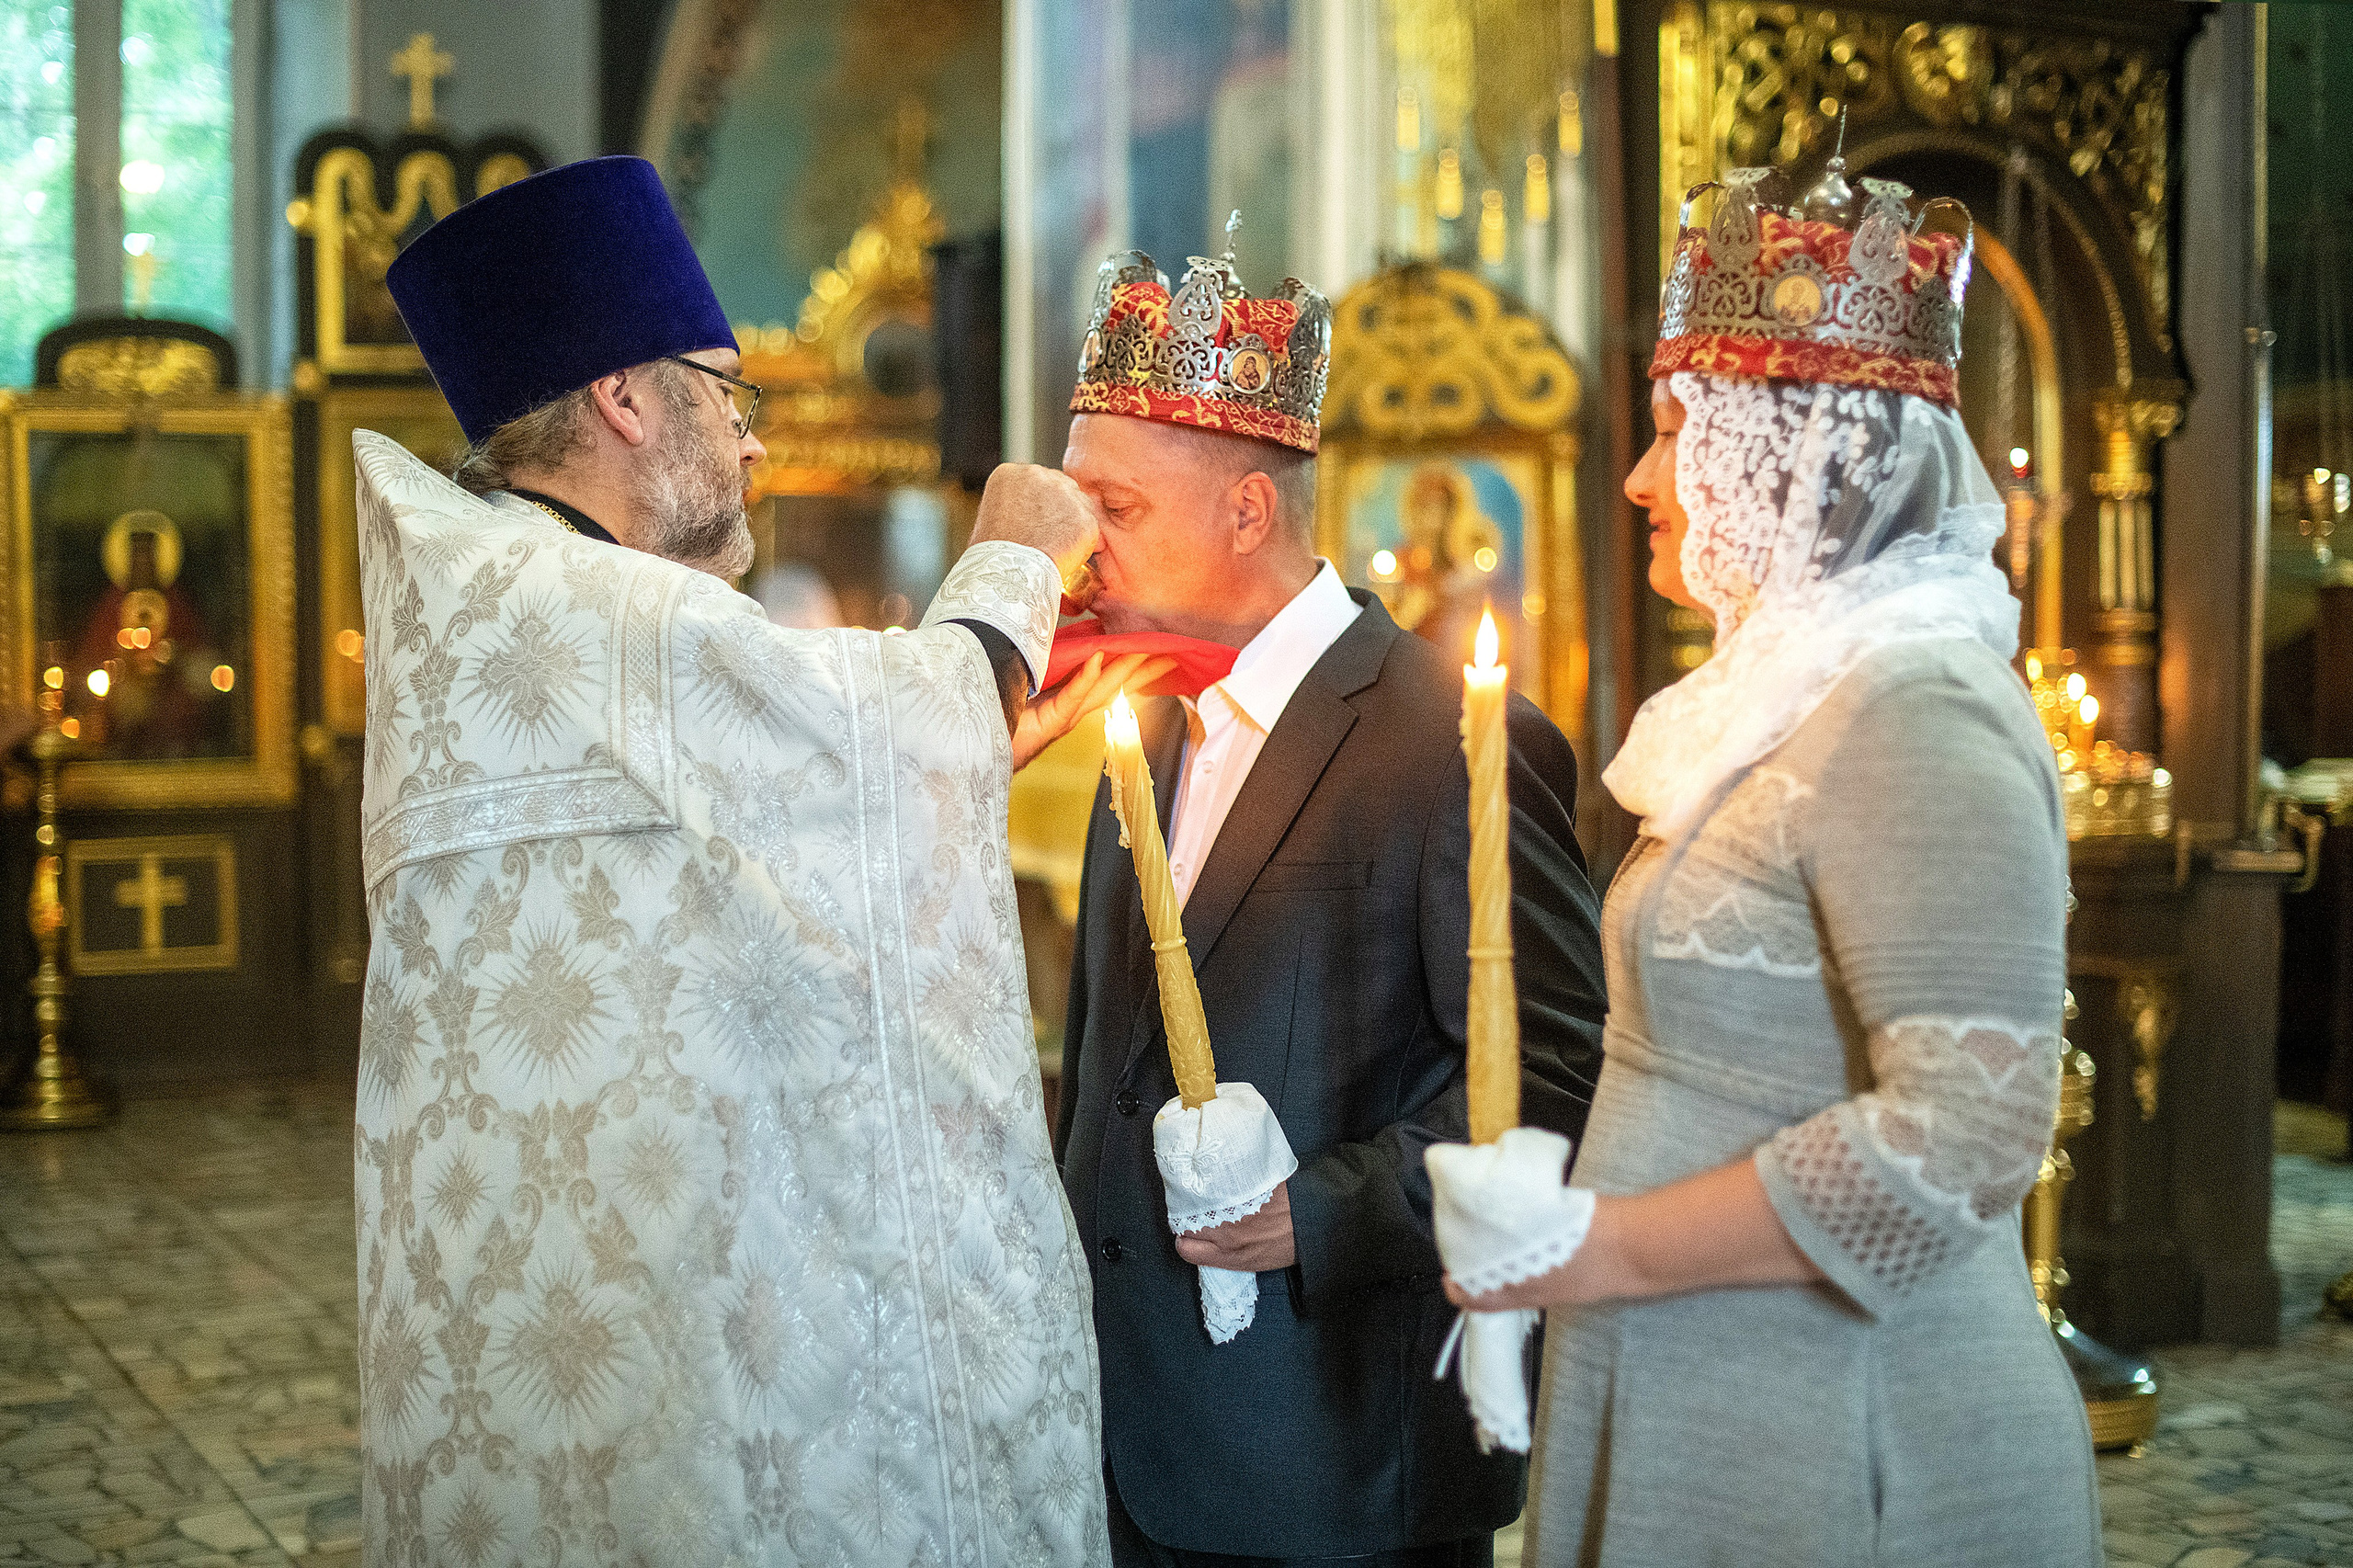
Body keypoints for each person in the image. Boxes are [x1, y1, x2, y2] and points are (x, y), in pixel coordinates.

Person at [356, 155, 1151, 1565]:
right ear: (625, 396)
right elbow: (899, 737)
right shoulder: (585, 602)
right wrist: (1017, 555)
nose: (754, 440)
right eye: (731, 394)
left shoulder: (499, 600)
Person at [1448, 169, 2100, 1564]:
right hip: (1717, 1396)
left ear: (1799, 451)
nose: (1637, 476)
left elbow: (1966, 1135)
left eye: (1678, 431)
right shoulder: (1789, 697)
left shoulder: (1916, 706)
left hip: (1855, 1439)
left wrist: (1598, 1245)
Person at [1054, 241, 1608, 1565]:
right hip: (1121, 1445)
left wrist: (1320, 1212)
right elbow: (1104, 1069)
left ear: (1248, 511)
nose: (1078, 549)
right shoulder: (1144, 727)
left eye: (1112, 508)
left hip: (1333, 1466)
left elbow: (1554, 1074)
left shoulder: (1449, 741)